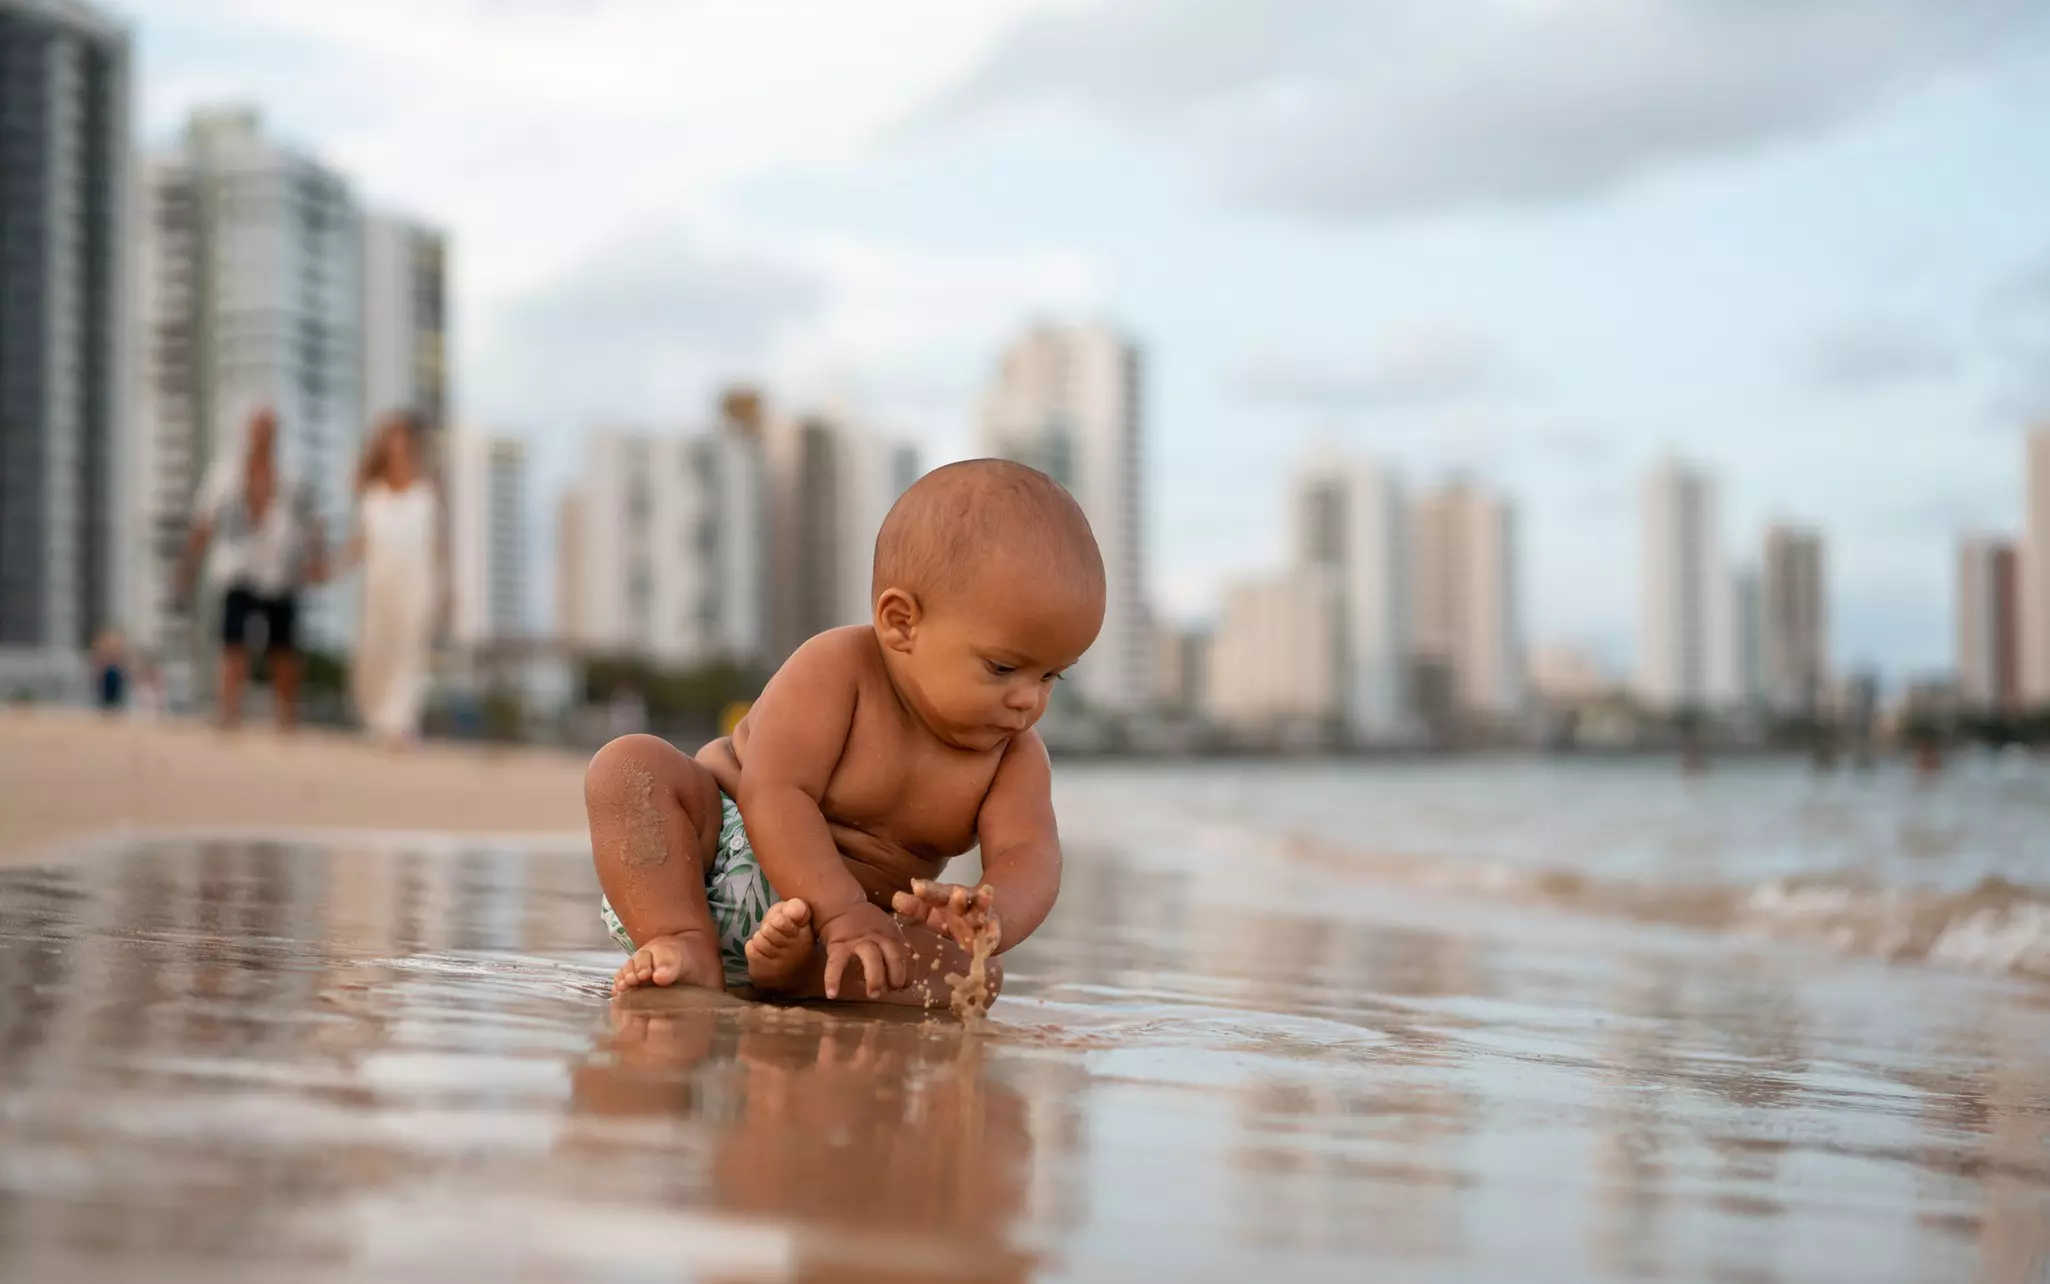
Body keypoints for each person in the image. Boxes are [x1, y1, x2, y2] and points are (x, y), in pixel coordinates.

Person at [587, 458, 1104, 1008]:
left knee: (973, 980)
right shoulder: (838, 669)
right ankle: (679, 940)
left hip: (854, 937)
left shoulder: (1012, 758)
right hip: (710, 862)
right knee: (630, 766)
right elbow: (775, 792)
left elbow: (1031, 853)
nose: (1029, 699)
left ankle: (796, 977)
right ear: (902, 622)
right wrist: (838, 910)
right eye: (1003, 668)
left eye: (1051, 675)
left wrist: (991, 914)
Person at [176, 408, 319, 730]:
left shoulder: (292, 474)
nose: (263, 435)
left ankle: (286, 717)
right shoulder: (225, 472)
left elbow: (312, 522)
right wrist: (187, 569)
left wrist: (315, 561)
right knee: (233, 642)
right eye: (258, 428)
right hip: (236, 568)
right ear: (248, 432)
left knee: (284, 648)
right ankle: (229, 712)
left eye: (268, 429)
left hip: (281, 571)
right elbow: (203, 522)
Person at [334, 410, 446, 747]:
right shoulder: (372, 492)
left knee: (410, 652)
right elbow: (360, 542)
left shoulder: (428, 490)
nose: (400, 445)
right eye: (393, 438)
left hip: (418, 583)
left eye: (405, 438)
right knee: (375, 650)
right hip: (379, 583)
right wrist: (333, 567)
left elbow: (438, 544)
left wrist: (447, 590)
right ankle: (377, 718)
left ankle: (401, 723)